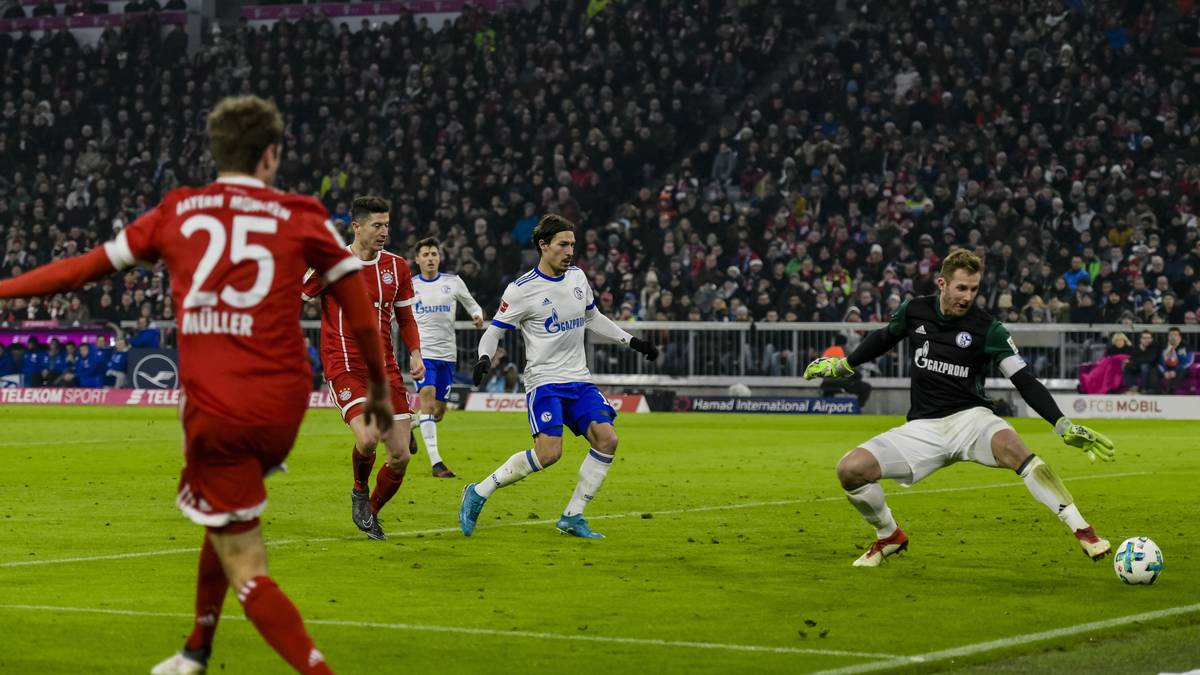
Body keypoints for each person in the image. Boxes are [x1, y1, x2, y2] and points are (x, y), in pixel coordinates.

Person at [0, 95, 394, 674]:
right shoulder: (301, 213)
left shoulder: (179, 210)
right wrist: (379, 387)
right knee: (225, 516)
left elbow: (80, 270)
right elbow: (356, 305)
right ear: (270, 155)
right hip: (281, 406)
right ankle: (196, 649)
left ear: (216, 152)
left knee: (247, 565)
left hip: (221, 409)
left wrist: (4, 290)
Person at [804, 249, 1116, 567]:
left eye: (974, 289)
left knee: (1015, 449)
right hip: (923, 428)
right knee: (850, 469)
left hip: (971, 420)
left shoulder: (988, 328)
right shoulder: (915, 310)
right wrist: (845, 364)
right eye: (961, 288)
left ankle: (1084, 531)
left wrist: (1062, 424)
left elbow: (1023, 379)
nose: (968, 297)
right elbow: (885, 337)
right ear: (942, 283)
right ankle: (889, 535)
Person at [459, 215, 660, 539]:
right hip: (545, 382)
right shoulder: (522, 289)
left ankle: (572, 516)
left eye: (572, 245)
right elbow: (494, 331)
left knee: (607, 439)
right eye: (563, 245)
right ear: (543, 245)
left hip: (579, 380)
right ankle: (479, 491)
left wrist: (632, 341)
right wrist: (484, 357)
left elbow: (593, 317)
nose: (569, 251)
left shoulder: (578, 277)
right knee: (549, 454)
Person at [302, 194, 424, 541]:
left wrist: (415, 353)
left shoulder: (397, 267)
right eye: (377, 225)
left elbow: (405, 318)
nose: (384, 231)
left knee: (400, 457)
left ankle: (371, 511)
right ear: (356, 227)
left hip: (385, 369)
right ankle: (359, 488)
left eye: (387, 225)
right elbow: (296, 297)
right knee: (368, 438)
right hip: (344, 365)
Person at [410, 236, 484, 478]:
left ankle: (408, 425)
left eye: (434, 254)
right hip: (423, 354)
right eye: (426, 254)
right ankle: (437, 463)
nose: (430, 258)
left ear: (439, 257)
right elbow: (395, 312)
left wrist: (477, 315)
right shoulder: (410, 285)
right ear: (417, 259)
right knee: (428, 402)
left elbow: (472, 304)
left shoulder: (453, 282)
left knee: (438, 412)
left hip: (448, 355)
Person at [1157, 326, 1196, 394]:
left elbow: (1189, 362)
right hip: (1168, 369)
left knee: (1181, 370)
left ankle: (1170, 390)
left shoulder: (1186, 346)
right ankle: (1153, 390)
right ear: (1168, 337)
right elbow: (1160, 362)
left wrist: (1175, 371)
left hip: (1181, 368)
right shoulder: (1164, 346)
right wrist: (1165, 372)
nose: (1173, 337)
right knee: (1154, 369)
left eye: (1175, 335)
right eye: (1171, 335)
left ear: (1179, 337)